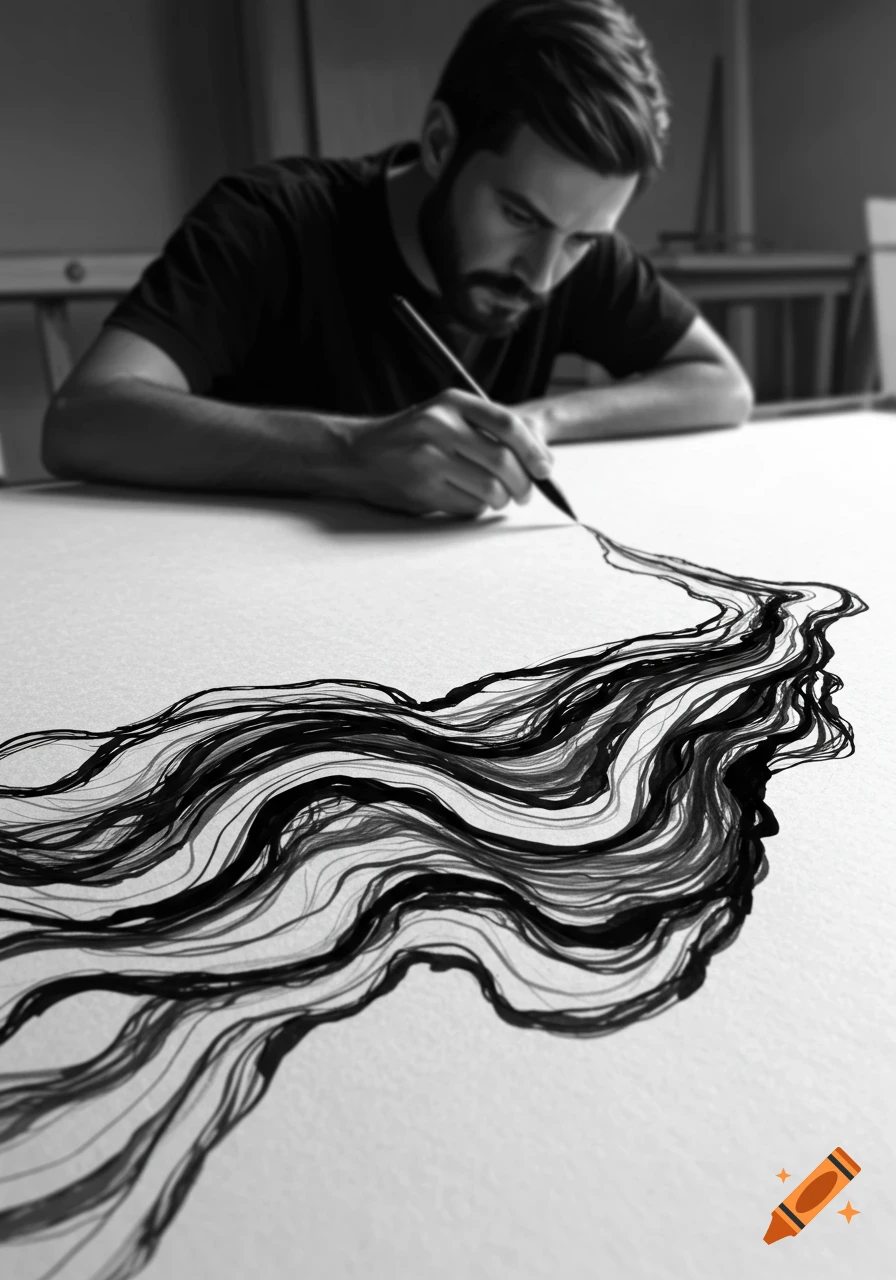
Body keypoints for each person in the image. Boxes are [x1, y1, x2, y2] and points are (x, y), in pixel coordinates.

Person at [42, 0, 754, 519]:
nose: (540, 275)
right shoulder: (273, 219)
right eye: (517, 217)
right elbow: (83, 419)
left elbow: (722, 385)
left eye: (582, 240)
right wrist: (348, 455)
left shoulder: (574, 242)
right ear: (441, 142)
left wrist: (541, 421)